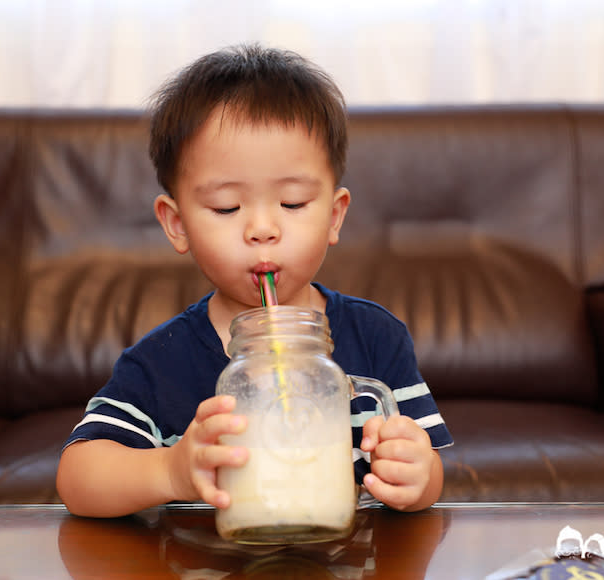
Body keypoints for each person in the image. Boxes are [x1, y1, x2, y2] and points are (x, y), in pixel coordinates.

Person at [56, 43, 453, 518]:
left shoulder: (376, 337)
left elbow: (430, 473)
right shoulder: (162, 362)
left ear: (334, 214)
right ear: (177, 224)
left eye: (292, 204)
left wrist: (416, 475)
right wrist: (170, 471)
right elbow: (77, 478)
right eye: (227, 208)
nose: (263, 229)